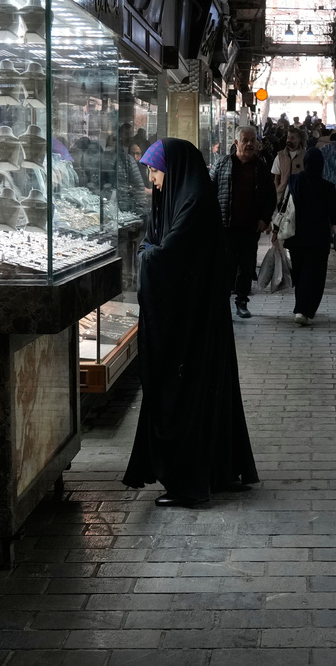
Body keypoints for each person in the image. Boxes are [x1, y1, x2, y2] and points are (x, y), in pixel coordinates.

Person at [123, 138, 259, 507]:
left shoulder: (195, 202)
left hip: (190, 325)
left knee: (185, 395)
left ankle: (188, 484)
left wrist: (147, 255)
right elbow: (158, 242)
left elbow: (168, 256)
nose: (152, 179)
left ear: (175, 169)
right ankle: (214, 471)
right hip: (195, 319)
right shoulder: (184, 198)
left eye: (155, 170)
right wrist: (152, 249)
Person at [211, 125, 277, 318]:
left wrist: (265, 218)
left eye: (252, 140)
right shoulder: (222, 164)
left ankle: (242, 301)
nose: (249, 144)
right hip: (226, 226)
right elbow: (209, 192)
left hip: (250, 227)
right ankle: (222, 305)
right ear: (236, 142)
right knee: (226, 266)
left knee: (246, 266)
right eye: (245, 140)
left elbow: (270, 196)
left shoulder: (261, 167)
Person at [282, 148, 336, 325]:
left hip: (296, 237)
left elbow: (284, 205)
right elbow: (335, 215)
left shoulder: (294, 181)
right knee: (315, 276)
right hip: (318, 239)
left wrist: (277, 229)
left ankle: (300, 308)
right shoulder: (327, 187)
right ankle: (305, 310)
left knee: (300, 274)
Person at [272, 128, 305, 197]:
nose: (289, 140)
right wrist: (278, 189)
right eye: (288, 137)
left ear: (299, 140)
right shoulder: (280, 156)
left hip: (299, 194)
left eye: (292, 138)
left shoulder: (305, 156)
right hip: (282, 194)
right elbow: (277, 176)